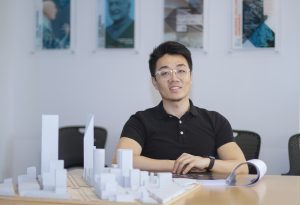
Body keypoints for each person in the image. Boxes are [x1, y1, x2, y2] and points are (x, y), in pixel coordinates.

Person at [113, 41, 248, 175]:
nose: (174, 78)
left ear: (191, 76)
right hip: (159, 195)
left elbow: (242, 168)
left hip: (206, 195)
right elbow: (119, 160)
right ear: (154, 82)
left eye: (181, 71)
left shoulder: (215, 120)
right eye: (165, 73)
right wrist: (176, 165)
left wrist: (206, 162)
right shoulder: (140, 121)